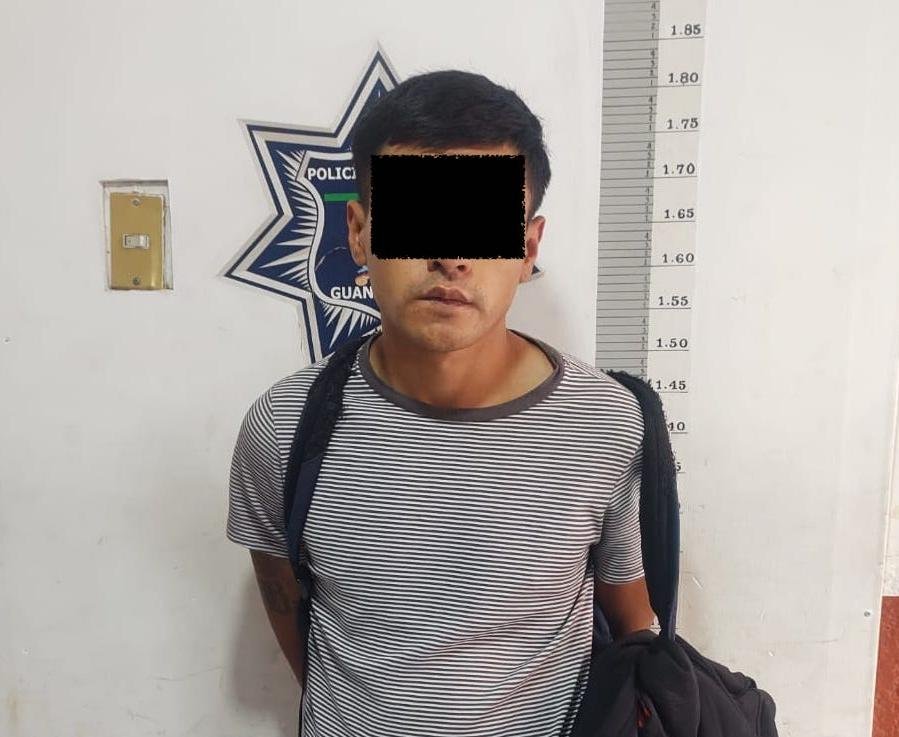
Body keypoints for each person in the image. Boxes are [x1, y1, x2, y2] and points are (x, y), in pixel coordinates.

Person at [226, 69, 655, 737]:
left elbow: (634, 625)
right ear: (360, 232)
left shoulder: (606, 422)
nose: (451, 255)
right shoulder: (283, 426)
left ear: (527, 248)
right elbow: (290, 611)